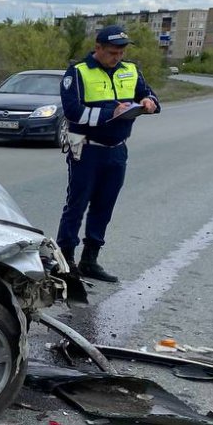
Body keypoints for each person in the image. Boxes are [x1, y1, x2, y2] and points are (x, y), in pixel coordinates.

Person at [56, 25, 160, 283]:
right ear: (98, 48)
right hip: (87, 148)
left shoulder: (131, 70)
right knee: (77, 205)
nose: (118, 57)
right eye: (113, 52)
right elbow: (72, 112)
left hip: (117, 150)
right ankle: (64, 261)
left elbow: (149, 94)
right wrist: (109, 114)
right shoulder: (78, 72)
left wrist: (149, 102)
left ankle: (90, 259)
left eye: (122, 52)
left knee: (104, 205)